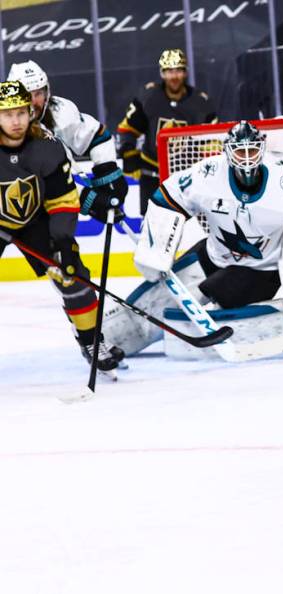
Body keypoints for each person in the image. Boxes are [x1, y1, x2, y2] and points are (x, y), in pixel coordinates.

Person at [103, 121, 283, 355]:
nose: (247, 158)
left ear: (262, 149)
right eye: (240, 151)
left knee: (203, 294)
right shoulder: (208, 173)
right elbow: (168, 197)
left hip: (260, 270)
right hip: (212, 254)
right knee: (152, 300)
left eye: (252, 150)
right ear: (228, 151)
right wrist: (157, 246)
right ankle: (109, 342)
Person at [0, 81, 123, 373]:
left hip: (36, 219)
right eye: (7, 114)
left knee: (73, 275)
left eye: (20, 112)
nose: (15, 121)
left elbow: (63, 201)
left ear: (30, 112)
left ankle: (92, 342)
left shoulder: (47, 146)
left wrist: (65, 241)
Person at [6, 60, 128, 219]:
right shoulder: (8, 130)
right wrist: (88, 200)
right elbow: (40, 183)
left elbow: (96, 136)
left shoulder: (59, 112)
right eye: (27, 95)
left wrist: (108, 173)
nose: (34, 102)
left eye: (38, 94)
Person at [116, 48, 216, 215]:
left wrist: (205, 168)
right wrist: (128, 152)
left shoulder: (201, 103)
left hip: (187, 178)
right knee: (152, 226)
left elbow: (212, 142)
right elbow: (128, 128)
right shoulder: (149, 97)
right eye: (169, 71)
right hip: (152, 174)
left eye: (178, 70)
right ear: (162, 73)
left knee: (192, 227)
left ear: (185, 72)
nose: (174, 76)